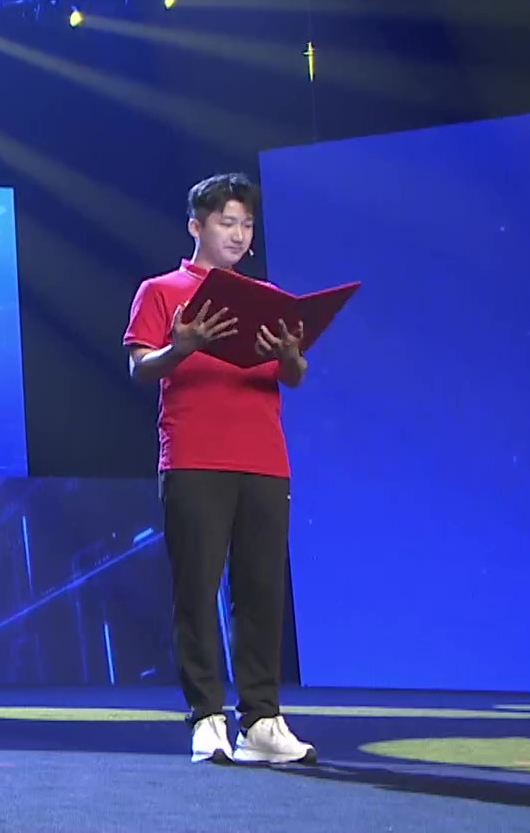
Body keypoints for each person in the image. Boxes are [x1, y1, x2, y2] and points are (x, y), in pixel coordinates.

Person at [123, 172, 318, 767]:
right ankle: (206, 718)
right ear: (196, 226)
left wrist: (291, 357)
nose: (238, 234)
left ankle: (262, 721)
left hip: (265, 459)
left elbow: (293, 376)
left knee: (261, 592)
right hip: (194, 457)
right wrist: (182, 346)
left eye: (246, 224)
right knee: (197, 590)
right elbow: (140, 368)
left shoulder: (268, 298)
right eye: (226, 222)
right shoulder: (162, 291)